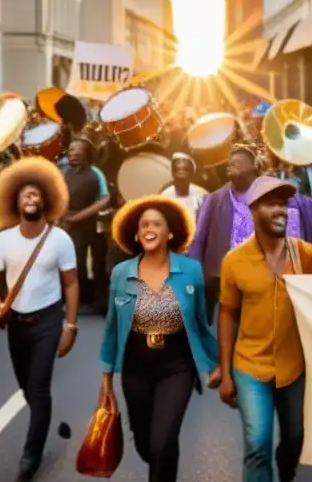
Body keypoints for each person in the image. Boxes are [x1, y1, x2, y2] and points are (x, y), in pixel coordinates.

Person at [98, 196, 220, 481]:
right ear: (137, 234)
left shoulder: (191, 271)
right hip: (135, 369)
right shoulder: (120, 274)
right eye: (144, 225)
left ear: (171, 232)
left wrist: (218, 364)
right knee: (146, 444)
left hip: (176, 367)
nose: (149, 229)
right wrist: (106, 381)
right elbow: (112, 329)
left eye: (157, 223)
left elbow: (201, 324)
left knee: (162, 440)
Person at [218, 177, 312, 482]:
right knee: (257, 445)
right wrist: (225, 374)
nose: (280, 210)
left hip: (295, 367)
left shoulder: (306, 254)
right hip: (251, 367)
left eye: (283, 204)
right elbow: (227, 316)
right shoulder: (234, 261)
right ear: (253, 209)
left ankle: (286, 470)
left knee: (295, 438)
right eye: (270, 204)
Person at [0, 158, 79, 480]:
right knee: (27, 387)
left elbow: (71, 283)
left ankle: (30, 455)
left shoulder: (60, 239)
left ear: (47, 200)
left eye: (36, 195)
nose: (31, 199)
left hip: (48, 320)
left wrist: (71, 326)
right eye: (25, 195)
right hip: (16, 326)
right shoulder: (3, 239)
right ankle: (39, 426)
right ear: (14, 201)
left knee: (38, 388)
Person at [190, 144, 312, 323]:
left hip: (286, 294)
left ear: (255, 165)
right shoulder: (214, 200)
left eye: (239, 160)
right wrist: (195, 287)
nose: (231, 162)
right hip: (230, 294)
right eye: (230, 160)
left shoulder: (295, 201)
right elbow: (197, 243)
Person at [62, 136, 111, 313]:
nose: (71, 152)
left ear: (86, 153)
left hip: (93, 225)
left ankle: (100, 302)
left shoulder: (95, 173)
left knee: (98, 264)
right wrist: (64, 218)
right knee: (77, 263)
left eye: (76, 149)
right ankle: (80, 300)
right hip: (72, 227)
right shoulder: (65, 174)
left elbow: (104, 199)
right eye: (70, 149)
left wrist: (79, 216)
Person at [159, 153, 207, 218]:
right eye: (178, 180)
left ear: (191, 174)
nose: (181, 166)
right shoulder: (165, 196)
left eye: (184, 180)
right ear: (173, 174)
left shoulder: (200, 195)